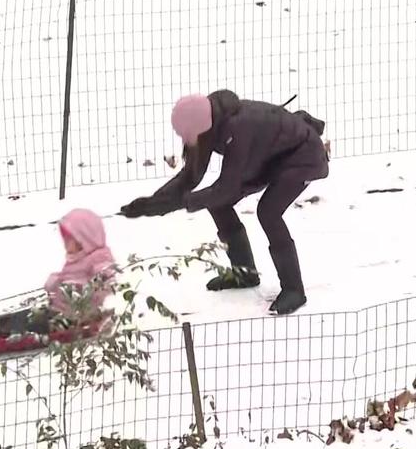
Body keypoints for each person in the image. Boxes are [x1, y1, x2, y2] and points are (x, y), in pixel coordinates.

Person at [119, 89, 329, 315]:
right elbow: (190, 177)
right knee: (218, 203)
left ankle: (294, 290)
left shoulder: (239, 128)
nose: (185, 139)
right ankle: (244, 274)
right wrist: (153, 203)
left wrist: (178, 203)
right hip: (267, 158)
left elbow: (226, 188)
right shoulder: (208, 124)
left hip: (303, 156)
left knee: (268, 212)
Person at [0, 208, 117, 337]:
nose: (66, 244)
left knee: (31, 325)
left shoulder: (99, 260)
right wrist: (56, 283)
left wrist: (87, 286)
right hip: (56, 310)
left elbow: (107, 283)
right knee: (25, 315)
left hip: (74, 320)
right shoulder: (77, 258)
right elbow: (65, 283)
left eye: (69, 240)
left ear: (85, 238)